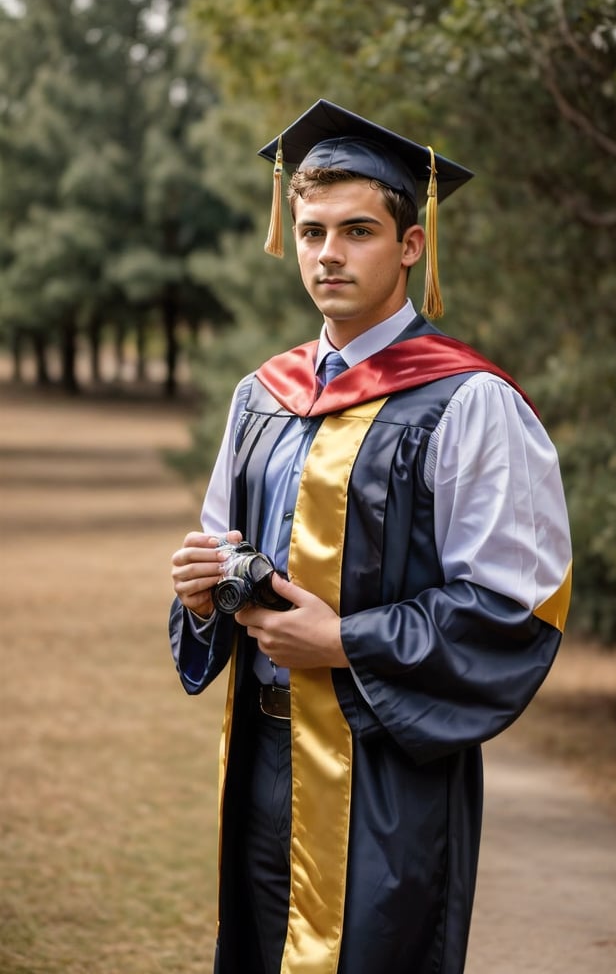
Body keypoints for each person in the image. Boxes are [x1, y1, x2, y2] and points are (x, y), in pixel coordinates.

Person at [169, 99, 572, 974]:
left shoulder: (468, 403)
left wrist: (342, 640)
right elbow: (221, 553)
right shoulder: (262, 397)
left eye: (357, 231)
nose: (327, 255)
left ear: (411, 245)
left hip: (388, 766)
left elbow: (515, 609)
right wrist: (202, 592)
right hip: (262, 763)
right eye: (312, 231)